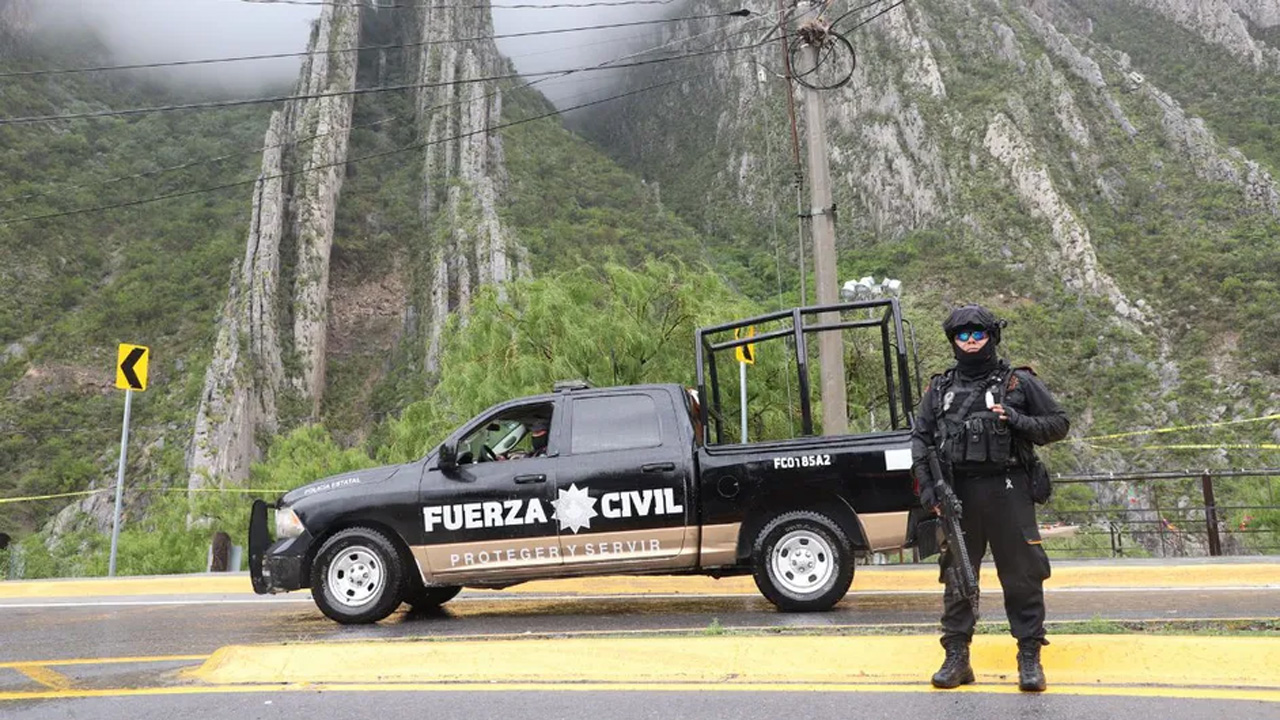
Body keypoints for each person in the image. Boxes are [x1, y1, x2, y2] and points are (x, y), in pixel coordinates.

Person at [910, 304, 1069, 692]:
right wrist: (929, 488)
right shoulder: (940, 388)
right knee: (958, 575)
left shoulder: (1017, 383)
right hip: (957, 493)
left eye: (977, 333)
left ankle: (1029, 656)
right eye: (961, 335)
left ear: (992, 337)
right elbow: (920, 439)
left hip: (1009, 489)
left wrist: (1016, 421)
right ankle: (957, 657)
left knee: (1023, 575)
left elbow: (1058, 424)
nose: (970, 341)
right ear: (952, 341)